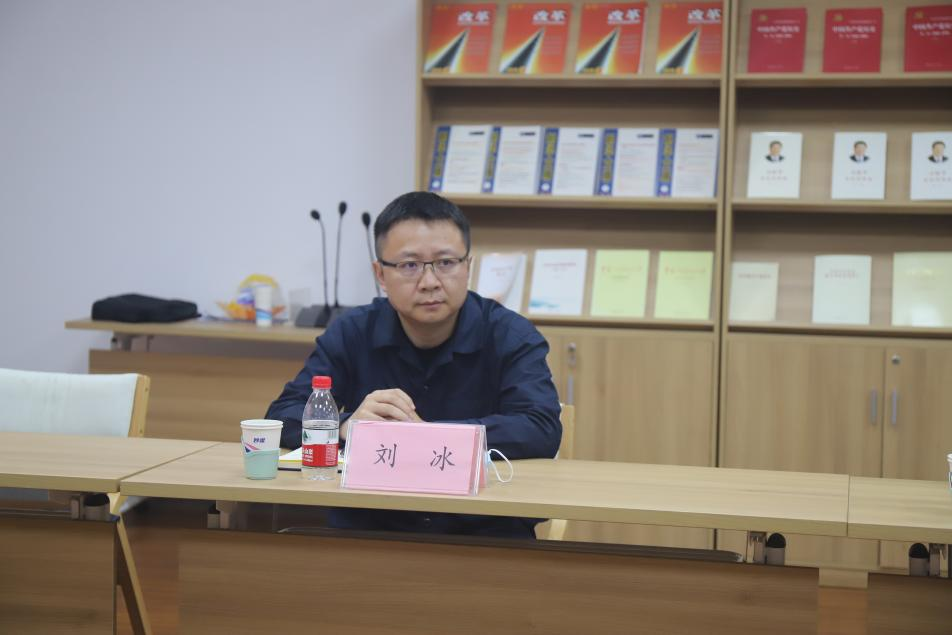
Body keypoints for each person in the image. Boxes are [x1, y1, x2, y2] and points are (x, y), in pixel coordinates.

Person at [266, 191, 562, 538]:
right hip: (370, 534)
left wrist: (427, 436)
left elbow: (541, 428)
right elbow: (281, 416)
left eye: (446, 263)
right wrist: (345, 426)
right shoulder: (352, 332)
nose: (430, 282)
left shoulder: (510, 335)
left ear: (468, 267)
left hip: (484, 534)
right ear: (380, 274)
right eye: (409, 266)